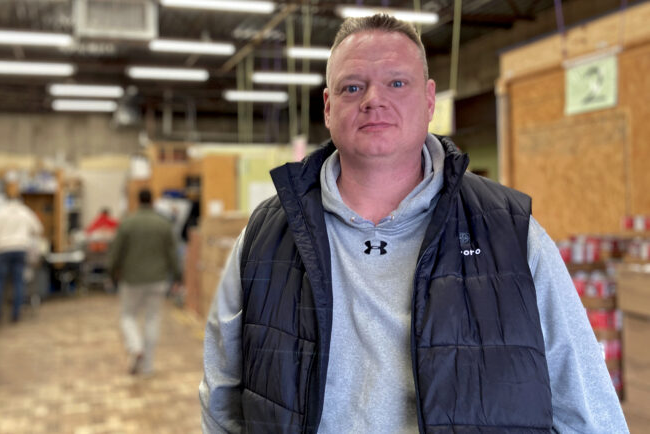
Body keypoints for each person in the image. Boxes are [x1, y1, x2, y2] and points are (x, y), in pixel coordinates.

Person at [199, 15, 628, 433]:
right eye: (352, 86)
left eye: (396, 83)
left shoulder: (513, 236)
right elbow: (222, 397)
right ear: (328, 107)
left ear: (428, 101)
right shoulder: (263, 239)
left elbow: (588, 410)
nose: (373, 99)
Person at [108, 189, 181, 376]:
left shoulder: (127, 223)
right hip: (158, 279)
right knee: (152, 318)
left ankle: (135, 347)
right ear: (153, 201)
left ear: (137, 200)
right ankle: (148, 367)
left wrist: (111, 272)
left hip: (131, 279)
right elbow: (172, 254)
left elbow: (116, 252)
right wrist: (178, 276)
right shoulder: (163, 224)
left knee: (127, 315)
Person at [0, 194, 43, 323]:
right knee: (18, 282)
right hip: (20, 249)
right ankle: (16, 314)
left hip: (2, 249)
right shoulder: (25, 212)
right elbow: (38, 229)